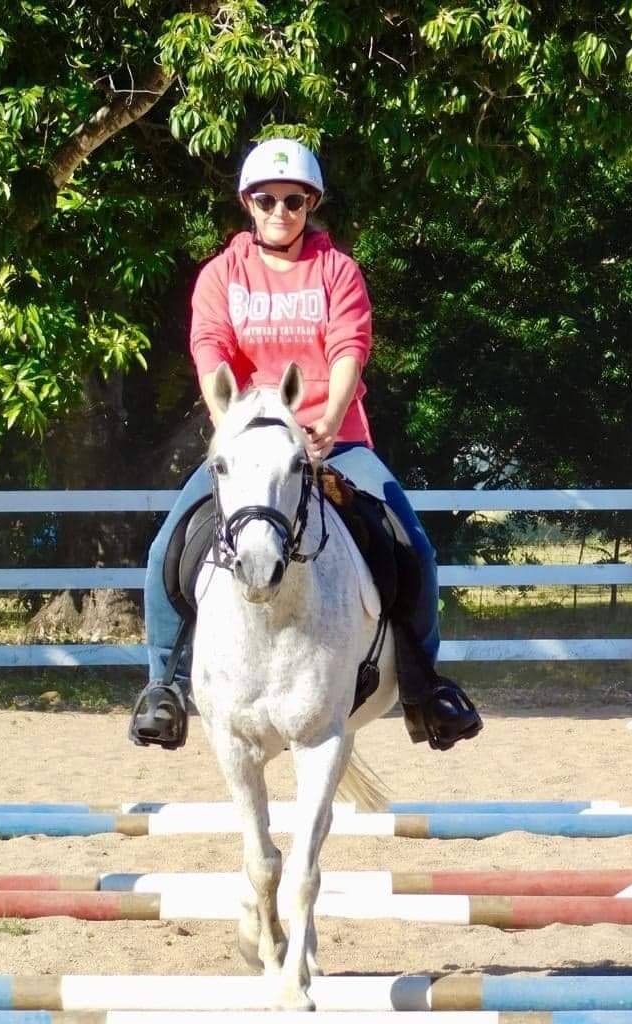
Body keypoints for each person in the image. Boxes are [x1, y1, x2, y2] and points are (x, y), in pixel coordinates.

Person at [129, 138, 482, 751]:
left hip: (332, 440)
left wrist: (331, 419)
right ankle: (165, 685)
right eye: (266, 200)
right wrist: (227, 425)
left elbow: (349, 348)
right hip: (249, 448)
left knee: (414, 548)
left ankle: (426, 689)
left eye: (293, 200)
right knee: (168, 546)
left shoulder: (338, 271)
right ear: (249, 203)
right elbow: (210, 350)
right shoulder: (221, 275)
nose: (280, 211)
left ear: (310, 204)